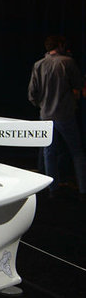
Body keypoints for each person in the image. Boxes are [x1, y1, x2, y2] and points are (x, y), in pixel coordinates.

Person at [28, 35, 86, 197]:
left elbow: (32, 94)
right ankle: (83, 190)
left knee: (49, 153)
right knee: (77, 152)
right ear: (60, 45)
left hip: (46, 115)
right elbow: (78, 86)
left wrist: (43, 106)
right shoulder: (67, 62)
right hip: (65, 114)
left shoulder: (38, 64)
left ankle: (53, 191)